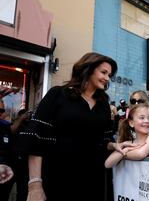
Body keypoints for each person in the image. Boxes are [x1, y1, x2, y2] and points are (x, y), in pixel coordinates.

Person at [15, 52, 126, 201]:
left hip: (91, 180)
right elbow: (37, 138)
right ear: (88, 69)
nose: (107, 78)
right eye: (103, 72)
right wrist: (35, 184)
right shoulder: (58, 94)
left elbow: (102, 140)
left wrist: (114, 145)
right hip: (56, 176)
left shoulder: (104, 105)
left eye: (109, 75)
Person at [105, 103, 149, 168]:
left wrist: (123, 153)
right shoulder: (129, 143)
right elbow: (107, 164)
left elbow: (140, 154)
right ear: (131, 123)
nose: (147, 121)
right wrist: (126, 149)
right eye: (142, 118)